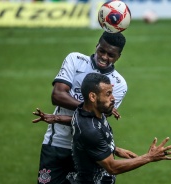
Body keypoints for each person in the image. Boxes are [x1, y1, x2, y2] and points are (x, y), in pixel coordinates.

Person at [34, 31, 137, 184]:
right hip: (57, 142)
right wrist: (89, 106)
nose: (104, 57)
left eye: (110, 55)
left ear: (118, 57)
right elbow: (57, 96)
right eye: (101, 50)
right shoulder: (75, 60)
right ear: (97, 45)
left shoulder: (119, 84)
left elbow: (92, 123)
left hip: (88, 151)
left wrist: (57, 117)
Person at [66, 73, 171, 184]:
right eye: (108, 94)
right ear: (92, 97)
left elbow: (89, 145)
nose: (113, 98)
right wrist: (149, 157)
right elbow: (112, 167)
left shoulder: (87, 111)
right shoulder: (90, 130)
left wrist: (114, 149)